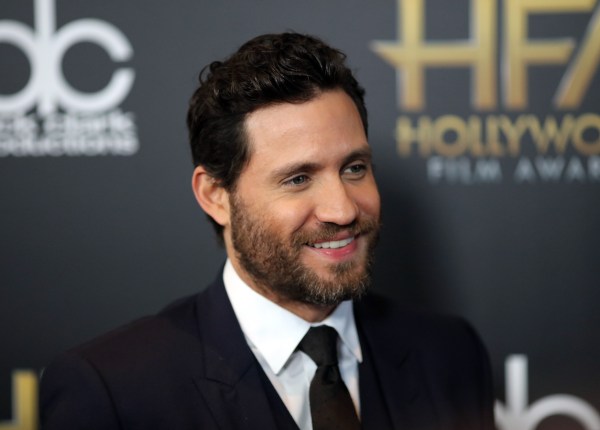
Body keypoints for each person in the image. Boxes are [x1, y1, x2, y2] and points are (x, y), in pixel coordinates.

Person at [40, 32, 495, 430]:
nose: (341, 209)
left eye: (354, 168)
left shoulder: (449, 354)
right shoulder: (111, 390)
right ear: (215, 194)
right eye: (298, 179)